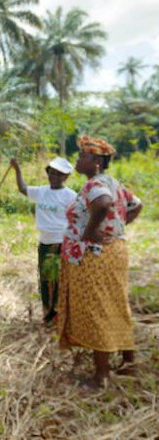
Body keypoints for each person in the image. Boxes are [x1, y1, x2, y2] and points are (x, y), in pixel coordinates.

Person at [58, 136, 143, 390]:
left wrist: (90, 231)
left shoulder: (95, 184)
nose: (77, 160)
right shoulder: (113, 182)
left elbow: (104, 204)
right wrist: (116, 227)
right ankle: (129, 362)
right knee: (116, 303)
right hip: (114, 250)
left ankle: (102, 376)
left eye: (82, 156)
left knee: (97, 309)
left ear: (96, 161)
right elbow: (136, 205)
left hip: (95, 255)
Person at [10, 156, 77, 324]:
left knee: (57, 279)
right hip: (44, 242)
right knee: (46, 279)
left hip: (61, 242)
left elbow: (77, 218)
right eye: (51, 173)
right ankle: (49, 313)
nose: (54, 177)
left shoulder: (70, 196)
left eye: (59, 174)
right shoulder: (41, 191)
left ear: (66, 177)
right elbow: (23, 188)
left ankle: (57, 315)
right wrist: (17, 169)